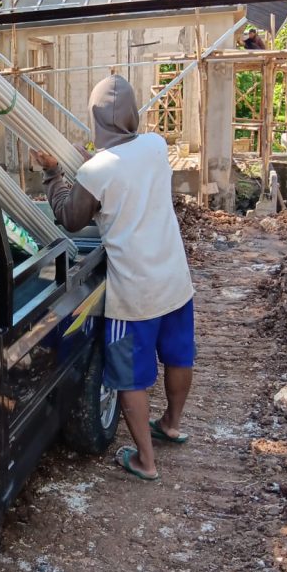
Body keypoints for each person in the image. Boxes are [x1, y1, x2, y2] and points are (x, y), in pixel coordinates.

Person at [31, 74, 194, 482]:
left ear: (96, 117)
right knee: (178, 355)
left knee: (129, 377)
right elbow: (123, 168)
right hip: (174, 279)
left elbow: (70, 218)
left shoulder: (96, 171)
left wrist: (53, 176)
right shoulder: (156, 146)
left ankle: (145, 461)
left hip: (134, 293)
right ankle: (172, 424)